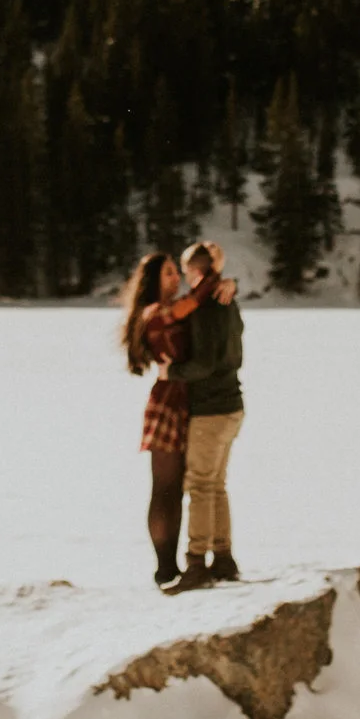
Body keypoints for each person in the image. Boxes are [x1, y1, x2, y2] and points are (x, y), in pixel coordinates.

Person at [162, 240, 245, 593]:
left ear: (192, 270)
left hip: (211, 408)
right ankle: (223, 558)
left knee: (198, 484)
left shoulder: (207, 305)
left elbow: (204, 363)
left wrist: (172, 372)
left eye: (184, 271)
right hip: (232, 404)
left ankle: (197, 563)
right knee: (215, 484)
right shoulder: (228, 301)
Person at [116, 251, 201, 587]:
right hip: (169, 400)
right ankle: (164, 567)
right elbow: (186, 308)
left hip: (179, 398)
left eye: (174, 273)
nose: (174, 279)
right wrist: (212, 285)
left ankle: (169, 566)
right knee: (164, 488)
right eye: (168, 274)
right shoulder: (157, 313)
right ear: (152, 280)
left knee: (173, 488)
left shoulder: (164, 310)